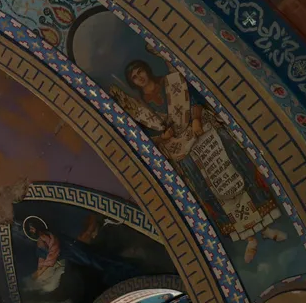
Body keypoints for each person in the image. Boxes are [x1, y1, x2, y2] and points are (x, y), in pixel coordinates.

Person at [112, 60, 285, 263]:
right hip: (183, 153)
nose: (139, 77)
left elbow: (191, 98)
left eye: (140, 71)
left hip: (203, 137)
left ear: (146, 69)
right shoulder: (140, 107)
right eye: (134, 77)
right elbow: (149, 138)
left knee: (235, 172)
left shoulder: (169, 83)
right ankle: (249, 238)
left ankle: (265, 227)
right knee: (211, 191)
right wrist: (163, 138)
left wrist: (195, 119)